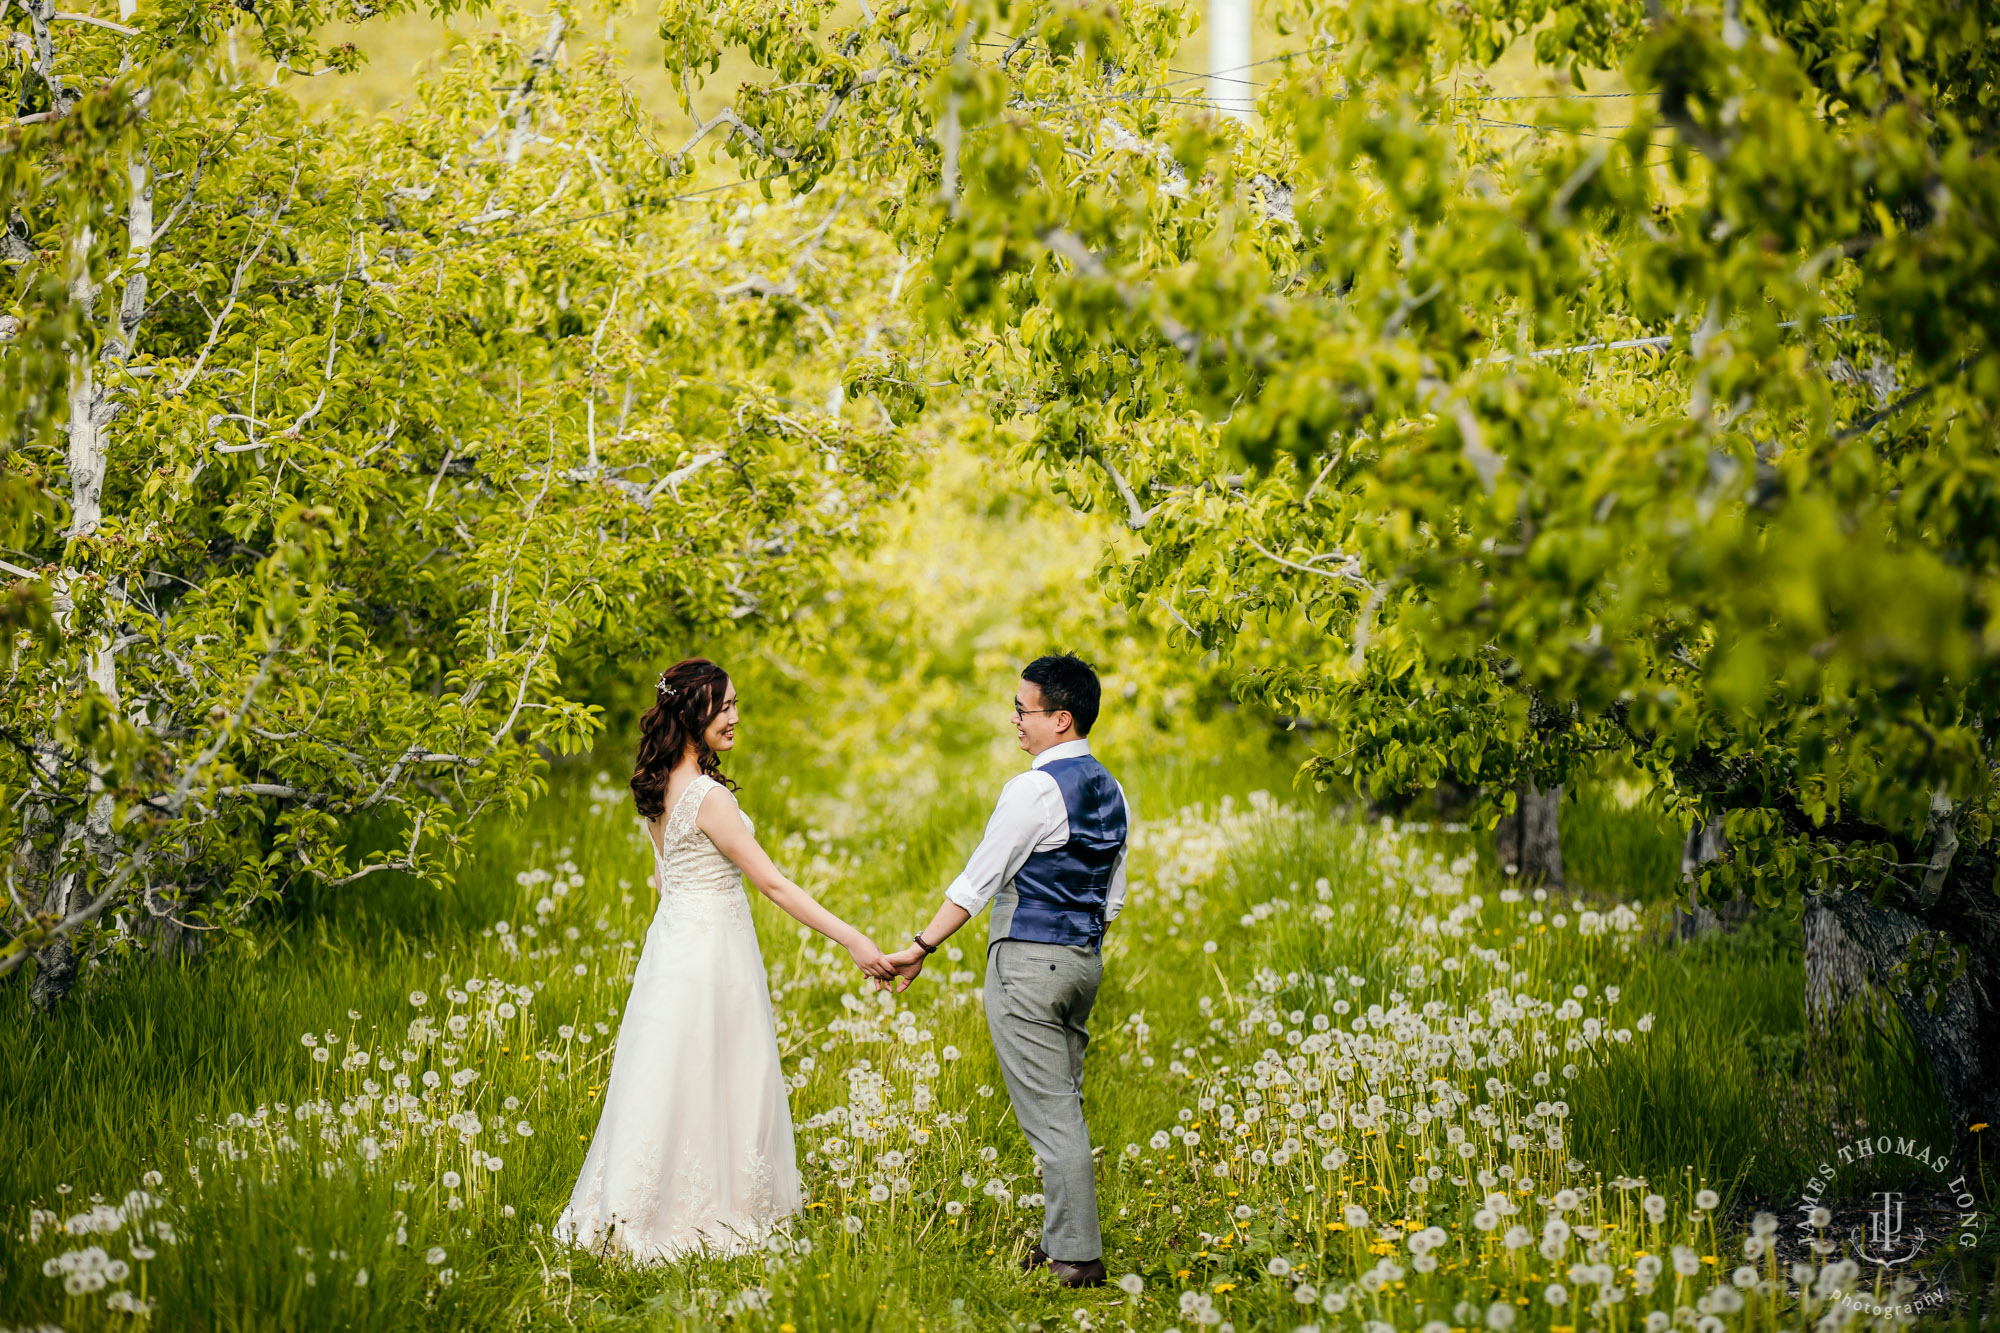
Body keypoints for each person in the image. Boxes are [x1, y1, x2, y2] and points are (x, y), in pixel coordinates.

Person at [555, 658, 896, 1261]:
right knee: (722, 1071)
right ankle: (706, 1214)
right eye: (724, 707)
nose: (735, 717)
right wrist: (852, 940)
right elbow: (775, 885)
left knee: (671, 1073)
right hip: (713, 950)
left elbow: (661, 878)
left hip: (672, 945)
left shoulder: (654, 780)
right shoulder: (709, 797)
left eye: (736, 704)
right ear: (691, 713)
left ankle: (633, 1207)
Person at [884, 653, 1129, 1288]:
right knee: (1063, 1101)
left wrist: (922, 945)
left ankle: (1077, 1258)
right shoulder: (1112, 788)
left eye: (1025, 710)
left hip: (1029, 963)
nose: (1016, 720)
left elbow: (980, 878)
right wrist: (1079, 944)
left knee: (1052, 1116)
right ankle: (1059, 1243)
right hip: (1082, 962)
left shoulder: (1034, 789)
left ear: (1062, 719)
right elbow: (1113, 895)